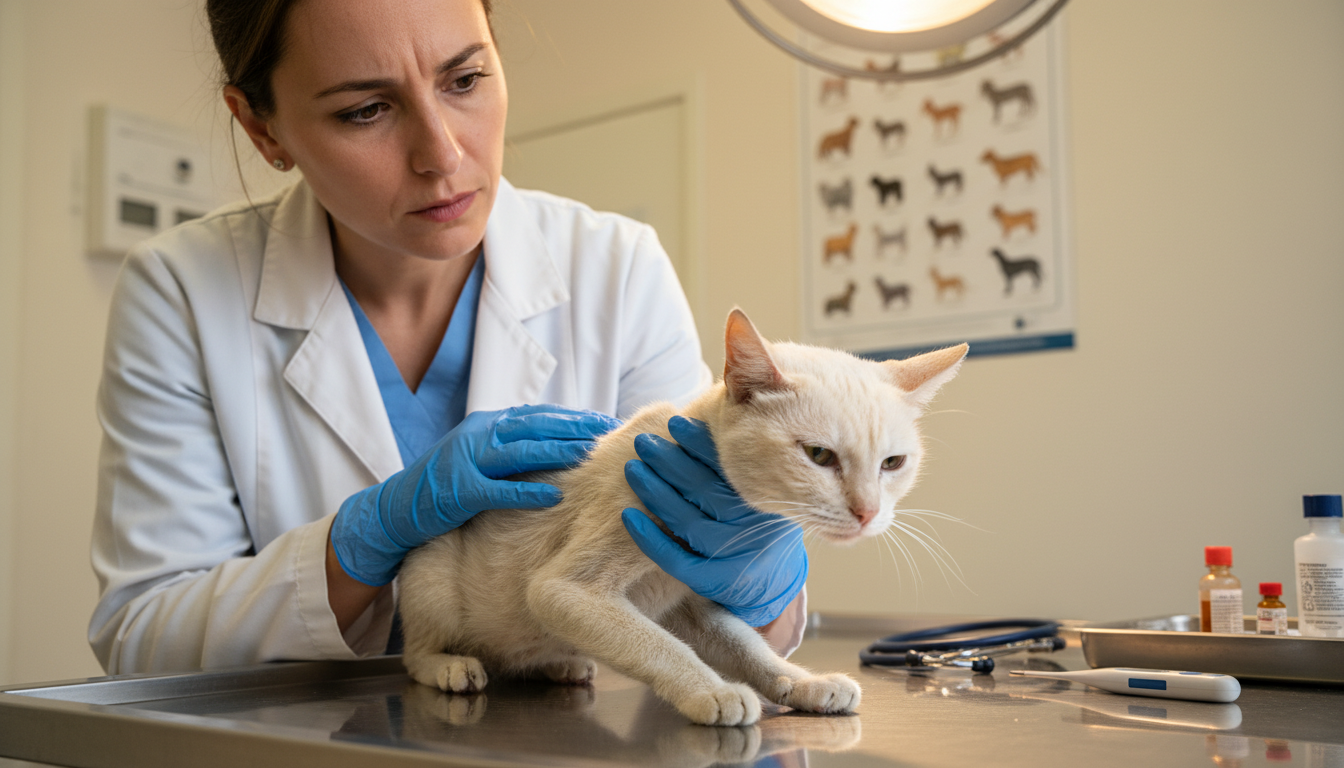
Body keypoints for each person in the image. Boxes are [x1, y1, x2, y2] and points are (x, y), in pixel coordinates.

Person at [88, 0, 807, 675]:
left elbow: (713, 626)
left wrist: (758, 578)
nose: (441, 153)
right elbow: (145, 638)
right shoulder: (181, 290)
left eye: (464, 78)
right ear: (262, 129)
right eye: (365, 110)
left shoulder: (616, 268)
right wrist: (360, 544)